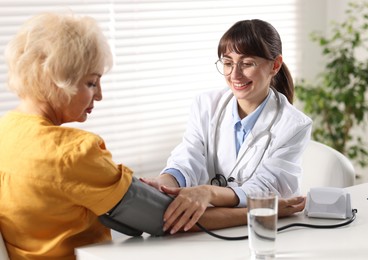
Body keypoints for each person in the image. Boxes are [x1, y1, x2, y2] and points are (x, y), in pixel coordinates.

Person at [141, 19, 312, 234]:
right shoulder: (206, 105)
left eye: (247, 63)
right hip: (218, 229)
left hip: (269, 231)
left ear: (275, 65)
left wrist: (208, 193)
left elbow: (264, 190)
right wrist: (163, 182)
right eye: (228, 63)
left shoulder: (294, 125)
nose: (235, 75)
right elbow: (189, 157)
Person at [0, 13, 139, 260]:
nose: (99, 96)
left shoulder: (5, 131)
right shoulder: (73, 153)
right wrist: (232, 206)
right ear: (57, 80)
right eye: (91, 83)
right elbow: (163, 217)